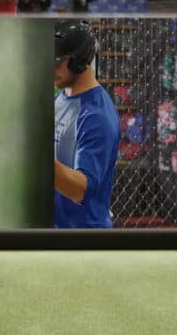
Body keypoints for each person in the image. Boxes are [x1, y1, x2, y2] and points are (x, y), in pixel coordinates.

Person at [53, 20, 121, 228]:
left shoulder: (96, 116)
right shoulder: (62, 97)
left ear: (77, 61)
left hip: (83, 237)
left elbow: (80, 190)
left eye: (57, 61)